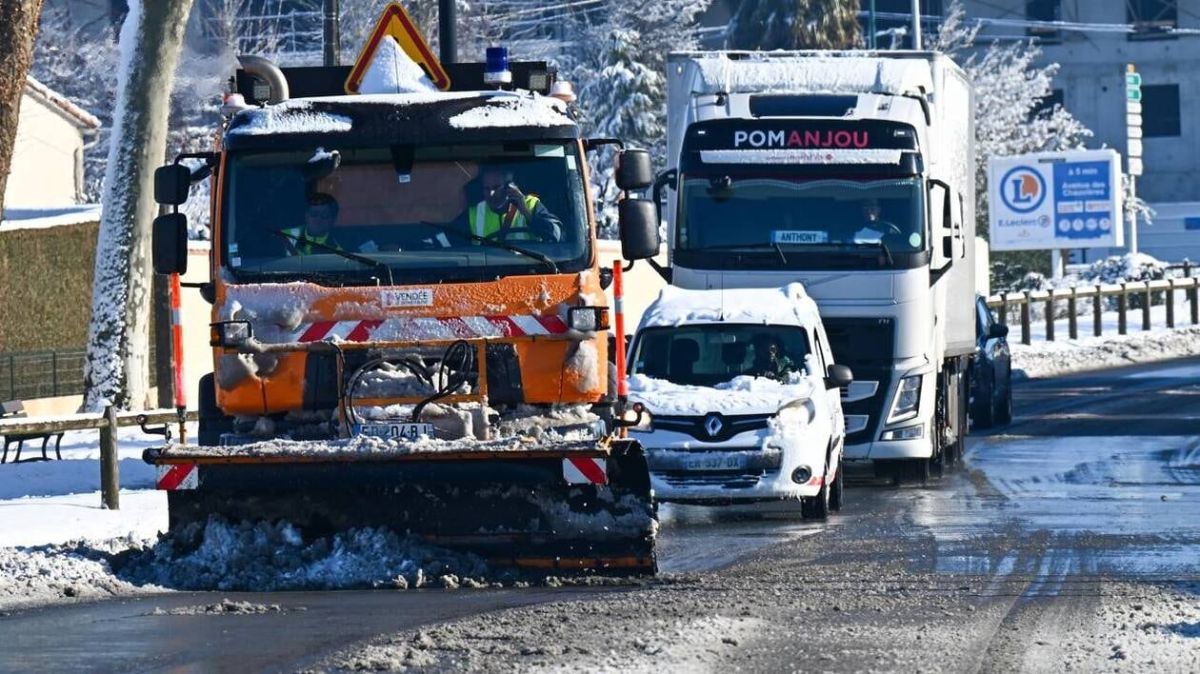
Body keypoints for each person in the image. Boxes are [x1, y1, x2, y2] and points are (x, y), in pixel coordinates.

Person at [467, 165, 563, 242]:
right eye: (486, 188)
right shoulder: (474, 213)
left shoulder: (531, 205)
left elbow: (558, 235)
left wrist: (526, 212)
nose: (491, 194)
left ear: (510, 187)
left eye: (496, 187)